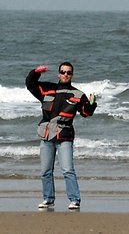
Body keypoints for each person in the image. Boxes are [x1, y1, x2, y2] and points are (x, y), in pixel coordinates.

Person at [26, 62, 97, 210]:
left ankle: (75, 200)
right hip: (46, 137)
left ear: (72, 75)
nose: (65, 74)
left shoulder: (78, 94)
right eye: (63, 72)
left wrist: (91, 104)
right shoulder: (46, 89)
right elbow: (30, 84)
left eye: (68, 73)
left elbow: (86, 113)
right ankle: (48, 199)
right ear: (58, 74)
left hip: (65, 137)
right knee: (45, 171)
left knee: (68, 170)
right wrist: (36, 72)